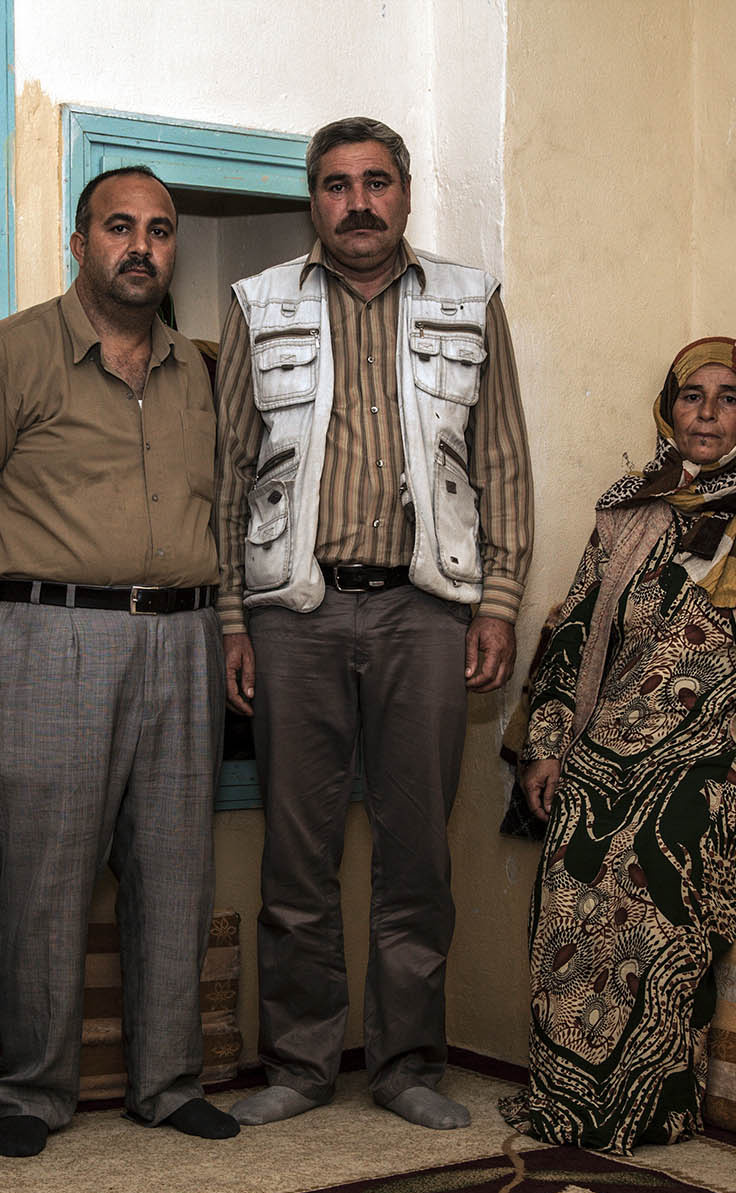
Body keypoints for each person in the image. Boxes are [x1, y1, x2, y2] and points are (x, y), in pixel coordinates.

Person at [0, 166, 238, 1158]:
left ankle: (168, 1082)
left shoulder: (205, 372)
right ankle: (32, 1091)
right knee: (46, 877)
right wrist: (21, 606)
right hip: (51, 642)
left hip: (184, 640)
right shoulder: (4, 357)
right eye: (119, 227)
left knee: (176, 870)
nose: (142, 247)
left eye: (160, 230)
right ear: (80, 241)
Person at [216, 117, 534, 1131]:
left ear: (403, 192)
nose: (359, 202)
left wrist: (498, 602)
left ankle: (406, 1066)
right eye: (337, 184)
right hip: (294, 614)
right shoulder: (258, 303)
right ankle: (301, 1064)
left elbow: (502, 461)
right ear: (313, 199)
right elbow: (228, 472)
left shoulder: (468, 300)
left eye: (377, 182)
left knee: (418, 854)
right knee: (296, 855)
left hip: (425, 612)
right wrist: (232, 617)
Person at [500, 336, 736, 1154]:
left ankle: (649, 1103)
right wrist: (547, 743)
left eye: (729, 398)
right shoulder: (629, 507)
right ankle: (568, 1096)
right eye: (692, 396)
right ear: (668, 408)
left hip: (727, 739)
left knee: (660, 849)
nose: (707, 413)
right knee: (572, 849)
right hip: (615, 733)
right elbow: (574, 628)